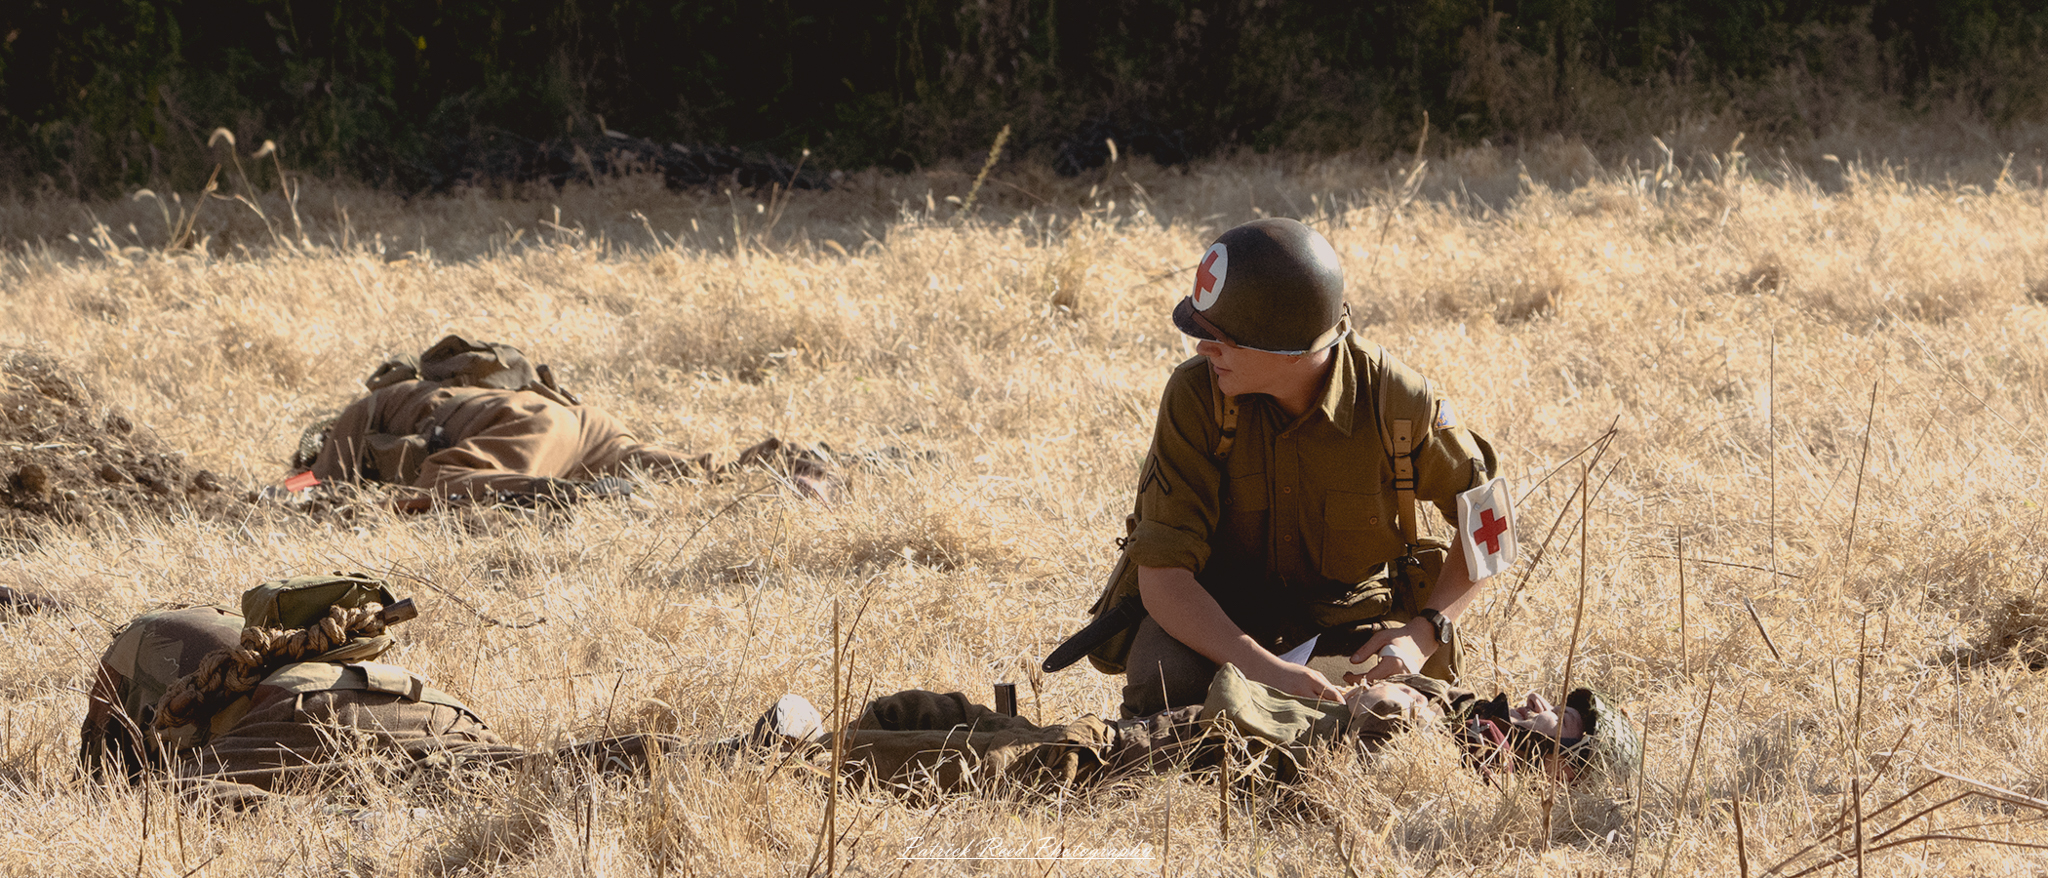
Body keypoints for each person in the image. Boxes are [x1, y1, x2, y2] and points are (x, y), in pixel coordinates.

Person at [1052, 218, 1501, 718]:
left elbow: (1488, 525)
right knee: (1168, 686)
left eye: (1222, 339)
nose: (1203, 349)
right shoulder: (1196, 397)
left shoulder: (1395, 400)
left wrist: (1425, 633)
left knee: (1368, 712)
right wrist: (1263, 670)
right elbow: (1163, 577)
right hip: (1220, 615)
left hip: (1348, 625)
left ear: (1290, 350)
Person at [77, 574, 806, 807]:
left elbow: (106, 778)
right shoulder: (235, 635)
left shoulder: (134, 643)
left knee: (185, 802)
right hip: (408, 694)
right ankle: (732, 754)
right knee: (528, 770)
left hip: (290, 716)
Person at [772, 666, 1634, 797]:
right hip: (1161, 730)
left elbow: (1354, 751)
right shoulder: (1452, 707)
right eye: (1541, 703)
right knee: (948, 717)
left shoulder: (1445, 772)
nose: (1524, 706)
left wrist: (1393, 717)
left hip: (1159, 760)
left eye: (1544, 727)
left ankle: (776, 764)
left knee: (985, 757)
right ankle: (808, 746)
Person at [295, 335, 840, 507]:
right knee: (692, 469)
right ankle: (796, 463)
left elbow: (315, 487)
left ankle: (582, 496)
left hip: (536, 432)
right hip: (585, 423)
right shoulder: (431, 388)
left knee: (442, 482)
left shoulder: (362, 412)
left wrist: (290, 485)